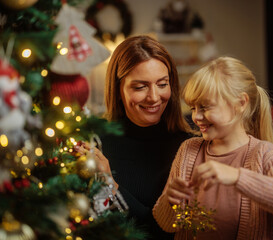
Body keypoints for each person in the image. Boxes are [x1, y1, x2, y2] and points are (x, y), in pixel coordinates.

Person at [152, 56, 273, 240]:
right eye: (193, 107)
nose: (196, 117)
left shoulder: (266, 155)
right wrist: (170, 201)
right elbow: (166, 224)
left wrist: (238, 177)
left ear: (241, 103)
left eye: (205, 107)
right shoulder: (189, 150)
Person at [79, 35, 193, 239]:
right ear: (118, 88)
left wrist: (111, 186)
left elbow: (166, 232)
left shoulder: (191, 143)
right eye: (140, 87)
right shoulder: (96, 141)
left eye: (162, 84)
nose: (154, 97)